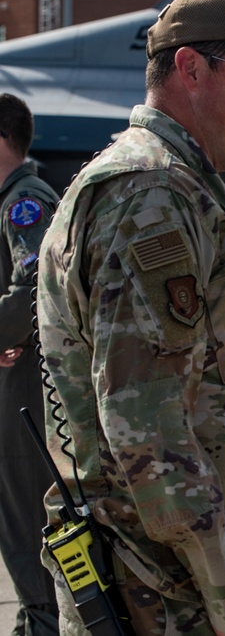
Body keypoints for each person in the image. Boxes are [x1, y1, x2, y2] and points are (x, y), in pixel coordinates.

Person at [35, 0, 225, 636]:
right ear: (190, 68)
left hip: (190, 579)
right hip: (168, 595)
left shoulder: (181, 186)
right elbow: (149, 432)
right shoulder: (150, 195)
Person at [0, 92, 60, 636]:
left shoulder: (25, 200)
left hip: (21, 384)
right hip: (10, 372)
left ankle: (42, 622)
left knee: (23, 507)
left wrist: (4, 332)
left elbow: (33, 286)